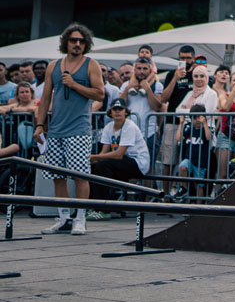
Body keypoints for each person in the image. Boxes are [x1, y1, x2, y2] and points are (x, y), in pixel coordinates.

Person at [34, 24, 105, 235]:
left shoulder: (91, 64)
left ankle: (80, 218)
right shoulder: (54, 66)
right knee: (57, 175)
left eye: (81, 41)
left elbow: (100, 94)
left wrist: (74, 85)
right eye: (73, 40)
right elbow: (45, 97)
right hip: (55, 130)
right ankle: (64, 217)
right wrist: (39, 125)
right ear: (66, 42)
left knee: (80, 175)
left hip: (79, 130)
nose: (77, 44)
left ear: (86, 44)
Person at [88, 99, 151, 219]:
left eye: (120, 109)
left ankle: (102, 210)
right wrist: (92, 160)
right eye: (114, 110)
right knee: (94, 167)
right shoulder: (108, 127)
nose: (117, 112)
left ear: (126, 112)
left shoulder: (129, 126)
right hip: (123, 161)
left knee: (103, 166)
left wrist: (95, 157)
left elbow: (119, 154)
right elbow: (104, 152)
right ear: (110, 112)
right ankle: (93, 205)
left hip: (138, 162)